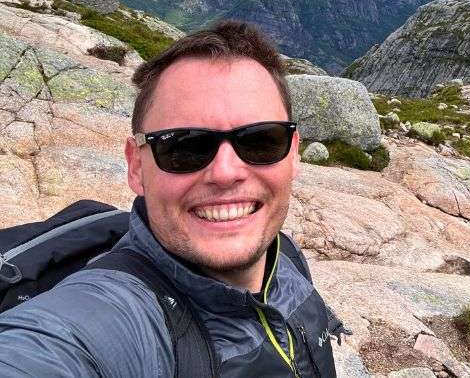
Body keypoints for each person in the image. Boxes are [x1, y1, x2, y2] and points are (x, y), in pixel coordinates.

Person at [0, 21, 339, 377]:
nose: (226, 172)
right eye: (184, 147)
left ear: (294, 153)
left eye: (260, 140)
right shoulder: (114, 317)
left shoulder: (284, 254)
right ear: (136, 166)